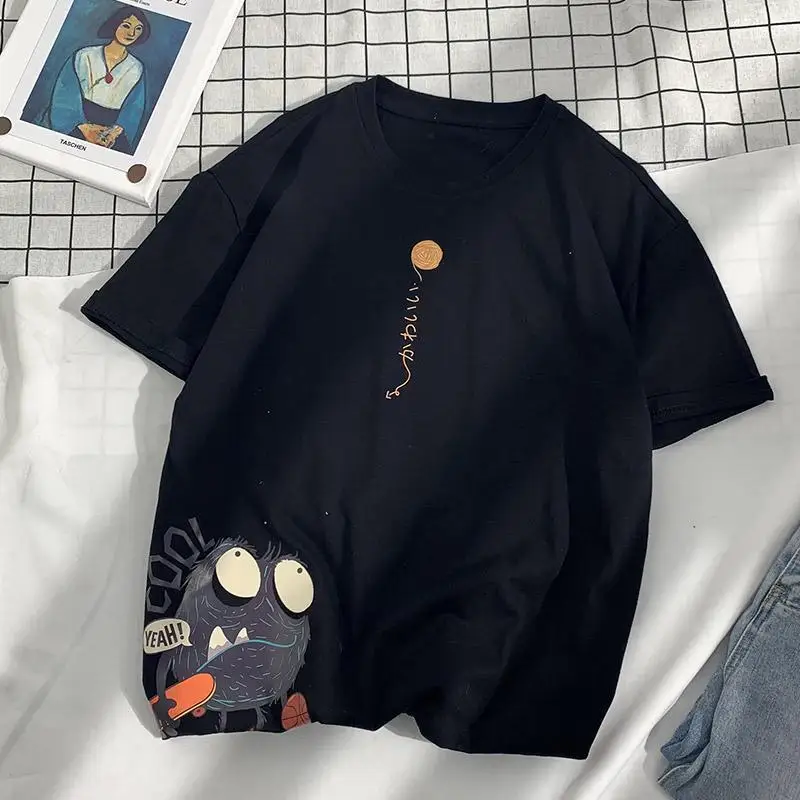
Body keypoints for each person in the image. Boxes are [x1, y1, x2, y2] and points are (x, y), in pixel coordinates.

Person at [46, 7, 149, 154]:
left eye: (138, 29)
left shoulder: (136, 67)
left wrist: (114, 132)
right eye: (126, 26)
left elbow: (134, 108)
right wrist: (84, 128)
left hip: (112, 131)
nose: (132, 33)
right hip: (78, 122)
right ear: (115, 24)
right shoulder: (84, 56)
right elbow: (65, 94)